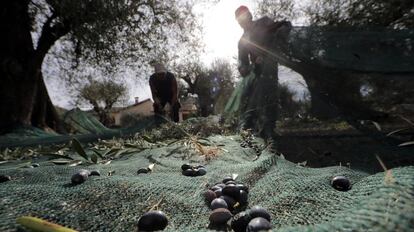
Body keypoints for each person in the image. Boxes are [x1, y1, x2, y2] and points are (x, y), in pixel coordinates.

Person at [235, 5, 291, 143]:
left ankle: (269, 130)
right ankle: (252, 129)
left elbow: (285, 25)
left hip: (271, 65)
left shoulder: (264, 23)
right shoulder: (242, 42)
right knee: (253, 99)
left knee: (270, 94)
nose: (243, 21)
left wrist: (281, 35)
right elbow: (243, 64)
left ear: (250, 15)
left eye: (244, 16)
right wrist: (246, 68)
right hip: (257, 71)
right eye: (239, 19)